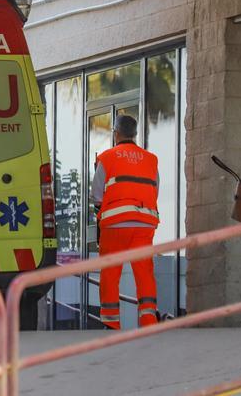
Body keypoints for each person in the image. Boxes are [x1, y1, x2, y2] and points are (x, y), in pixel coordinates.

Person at [91, 115, 160, 330]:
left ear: (116, 133)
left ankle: (111, 323)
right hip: (144, 222)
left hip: (115, 223)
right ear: (135, 134)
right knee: (144, 273)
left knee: (111, 273)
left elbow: (96, 195)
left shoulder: (107, 158)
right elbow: (154, 190)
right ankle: (148, 320)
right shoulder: (150, 159)